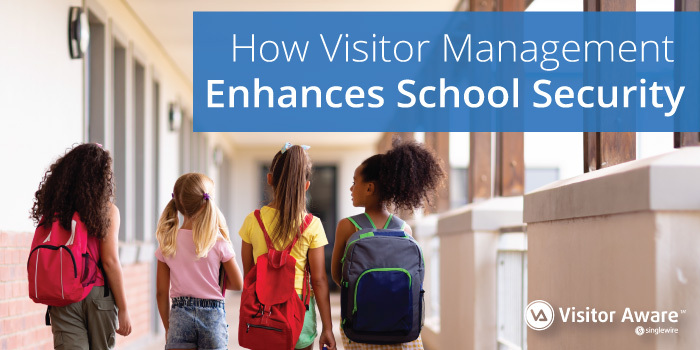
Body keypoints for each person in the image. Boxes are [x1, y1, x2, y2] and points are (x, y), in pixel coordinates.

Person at [331, 139, 446, 350]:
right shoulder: (404, 230)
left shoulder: (348, 227)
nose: (351, 187)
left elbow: (338, 277)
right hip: (402, 331)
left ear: (370, 187)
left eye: (355, 181)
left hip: (360, 328)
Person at [30, 143, 132, 349]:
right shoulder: (107, 211)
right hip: (99, 295)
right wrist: (123, 308)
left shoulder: (54, 210)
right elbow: (110, 261)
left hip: (63, 292)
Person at [238, 143, 336, 350]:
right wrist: (328, 328)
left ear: (270, 179)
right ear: (306, 185)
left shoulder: (252, 220)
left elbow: (249, 272)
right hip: (298, 309)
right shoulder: (313, 225)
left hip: (261, 308)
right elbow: (318, 280)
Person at [155, 173, 244, 350]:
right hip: (212, 318)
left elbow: (161, 293)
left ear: (178, 205)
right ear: (206, 203)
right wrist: (214, 281)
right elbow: (238, 283)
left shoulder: (168, 242)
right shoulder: (218, 241)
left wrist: (168, 327)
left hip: (179, 316)